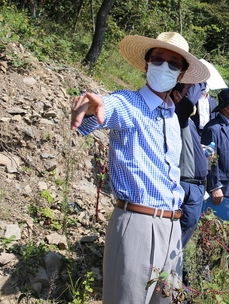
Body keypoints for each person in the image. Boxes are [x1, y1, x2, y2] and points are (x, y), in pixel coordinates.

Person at [70, 32, 210, 304]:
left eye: (173, 63)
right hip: (138, 223)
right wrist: (90, 106)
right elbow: (106, 107)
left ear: (181, 74)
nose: (164, 67)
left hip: (172, 227)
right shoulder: (130, 103)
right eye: (158, 59)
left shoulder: (171, 115)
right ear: (146, 65)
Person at [170, 82, 209, 247]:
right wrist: (200, 80)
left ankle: (174, 268)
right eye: (189, 89)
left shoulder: (189, 121)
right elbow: (188, 102)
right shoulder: (178, 113)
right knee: (176, 237)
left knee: (184, 235)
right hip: (186, 184)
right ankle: (166, 269)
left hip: (197, 186)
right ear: (177, 95)